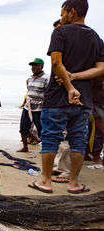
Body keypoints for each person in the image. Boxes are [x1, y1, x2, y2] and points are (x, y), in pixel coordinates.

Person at [28, 0, 104, 194]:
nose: (61, 17)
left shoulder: (60, 32)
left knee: (51, 136)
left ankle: (45, 181)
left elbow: (55, 63)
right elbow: (101, 69)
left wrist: (69, 84)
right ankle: (74, 183)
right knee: (78, 139)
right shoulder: (96, 38)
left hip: (57, 98)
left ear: (71, 12)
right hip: (84, 99)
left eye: (62, 12)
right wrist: (77, 77)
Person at [17, 58, 49, 152]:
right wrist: (24, 103)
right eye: (32, 65)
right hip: (28, 107)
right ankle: (25, 147)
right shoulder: (29, 79)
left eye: (36, 65)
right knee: (23, 127)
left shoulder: (46, 78)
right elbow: (29, 91)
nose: (33, 67)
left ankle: (45, 149)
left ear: (41, 66)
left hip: (40, 108)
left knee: (41, 129)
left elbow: (48, 93)